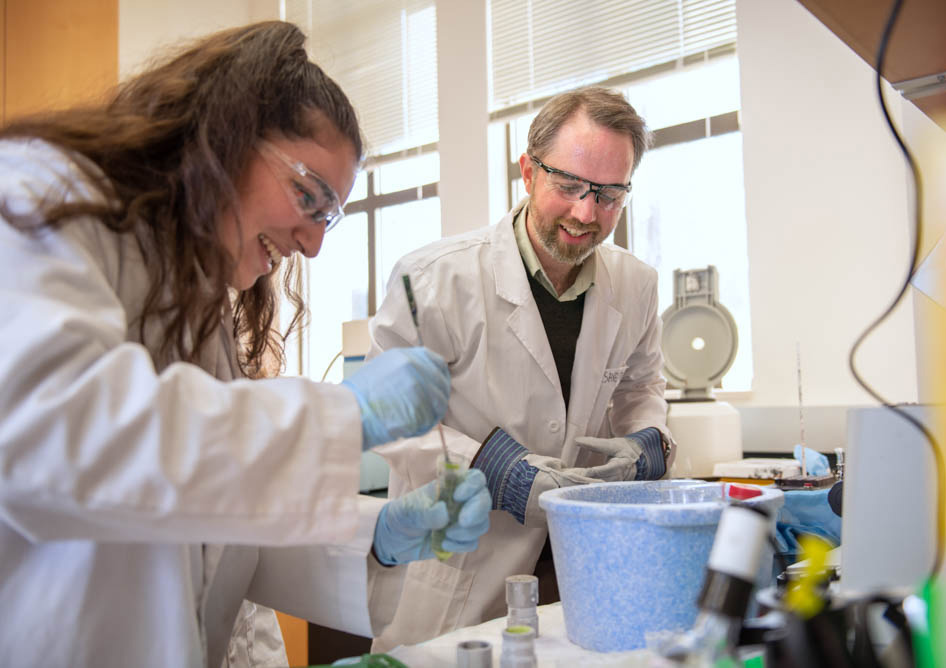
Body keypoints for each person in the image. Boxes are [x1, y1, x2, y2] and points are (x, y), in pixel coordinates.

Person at [0, 21, 490, 668]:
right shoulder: (41, 198)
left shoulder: (195, 304)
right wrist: (344, 415)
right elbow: (50, 437)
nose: (312, 244)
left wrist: (380, 539)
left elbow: (210, 526)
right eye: (307, 196)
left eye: (328, 217)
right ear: (225, 135)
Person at [367, 86, 677, 650]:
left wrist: (646, 441)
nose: (587, 214)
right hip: (462, 566)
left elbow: (640, 385)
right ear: (528, 171)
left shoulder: (637, 286)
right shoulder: (432, 279)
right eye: (570, 187)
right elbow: (392, 421)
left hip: (579, 567)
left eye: (609, 195)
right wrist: (497, 471)